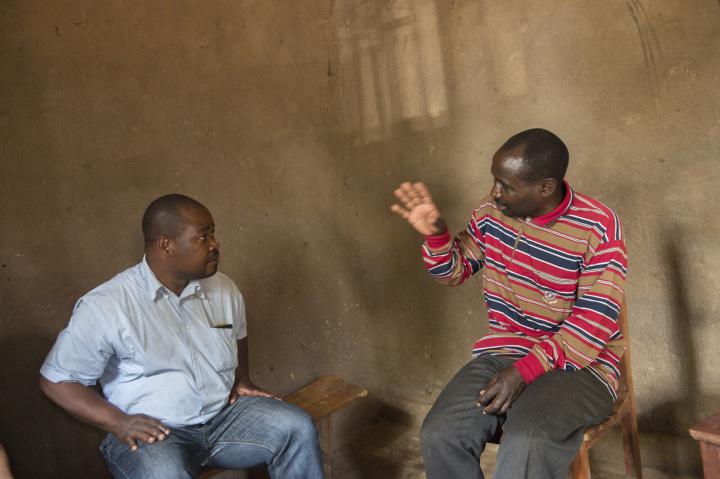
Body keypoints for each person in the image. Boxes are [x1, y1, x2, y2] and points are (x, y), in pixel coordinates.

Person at [391, 128, 628, 478]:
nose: (494, 193)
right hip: (506, 352)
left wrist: (525, 372)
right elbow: (454, 271)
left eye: (506, 186)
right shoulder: (492, 212)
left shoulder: (598, 227)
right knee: (441, 435)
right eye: (494, 181)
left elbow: (592, 326)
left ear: (545, 187)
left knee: (527, 442)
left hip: (583, 367)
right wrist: (437, 235)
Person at [39, 194, 324, 479]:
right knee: (165, 474)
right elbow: (57, 380)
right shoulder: (107, 306)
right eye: (203, 237)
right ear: (167, 245)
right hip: (157, 433)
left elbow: (237, 333)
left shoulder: (222, 288)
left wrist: (242, 379)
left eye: (213, 233)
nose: (215, 244)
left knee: (296, 426)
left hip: (223, 419)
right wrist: (119, 422)